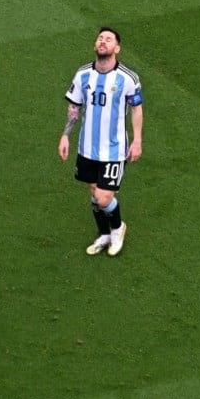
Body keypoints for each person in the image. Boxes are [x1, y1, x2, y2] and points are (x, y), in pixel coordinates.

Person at [58, 27, 143, 256]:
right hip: (87, 148)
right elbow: (74, 107)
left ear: (117, 48)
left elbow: (136, 109)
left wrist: (137, 141)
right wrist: (66, 135)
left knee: (104, 197)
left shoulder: (127, 78)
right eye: (100, 38)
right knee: (94, 192)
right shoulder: (83, 74)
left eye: (108, 39)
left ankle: (117, 228)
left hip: (114, 150)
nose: (103, 41)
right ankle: (103, 234)